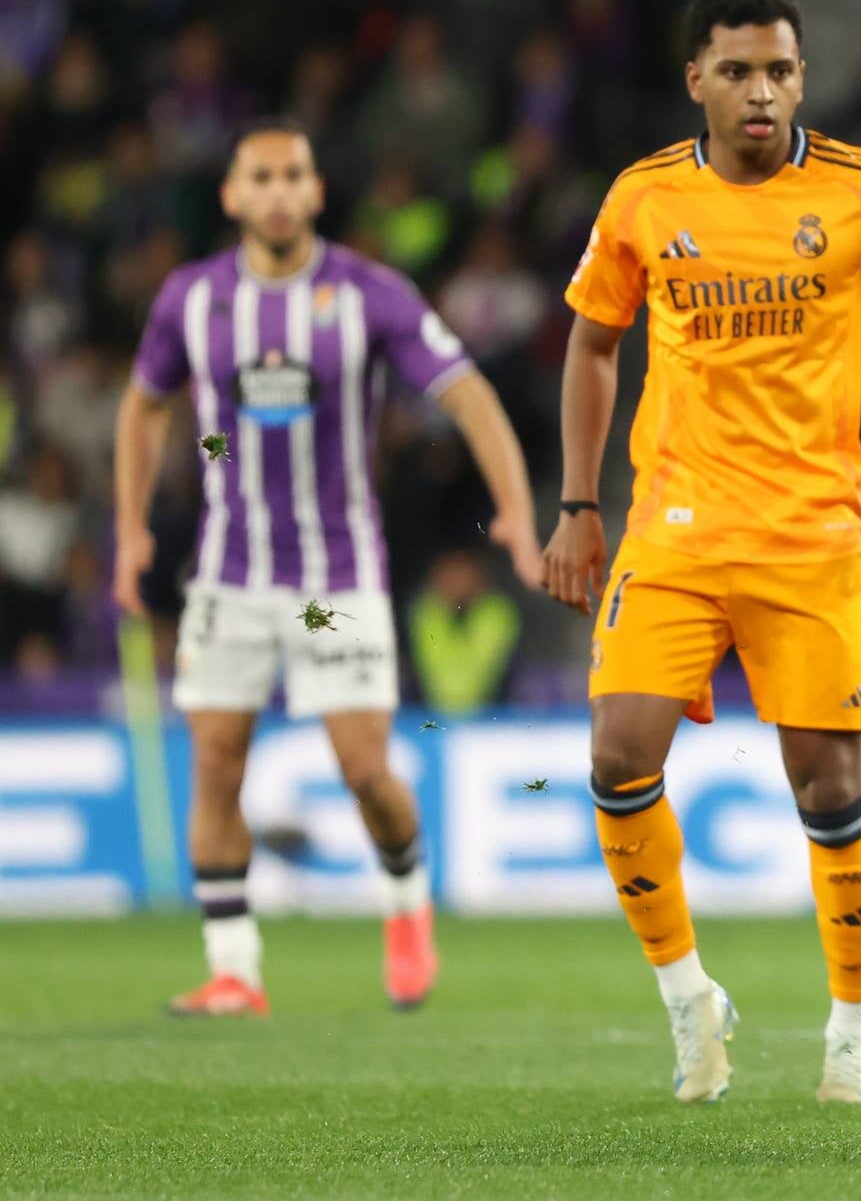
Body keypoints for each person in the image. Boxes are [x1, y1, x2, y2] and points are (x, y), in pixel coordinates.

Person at [543, 0, 861, 1107]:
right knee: (615, 758)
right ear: (695, 78)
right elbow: (593, 345)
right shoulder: (642, 199)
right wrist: (578, 506)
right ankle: (690, 1003)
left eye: (779, 71)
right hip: (675, 530)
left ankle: (853, 1030)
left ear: (802, 79)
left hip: (811, 540)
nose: (759, 92)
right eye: (735, 70)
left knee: (827, 788)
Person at [112, 121, 544, 1018]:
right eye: (259, 177)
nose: (277, 191)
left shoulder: (369, 294)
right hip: (228, 579)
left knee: (364, 769)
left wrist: (514, 506)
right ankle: (234, 968)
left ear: (315, 192)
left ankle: (404, 901)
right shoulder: (192, 299)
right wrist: (129, 530)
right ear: (231, 195)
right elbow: (144, 408)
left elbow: (466, 391)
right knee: (217, 762)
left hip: (332, 587)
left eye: (293, 175)